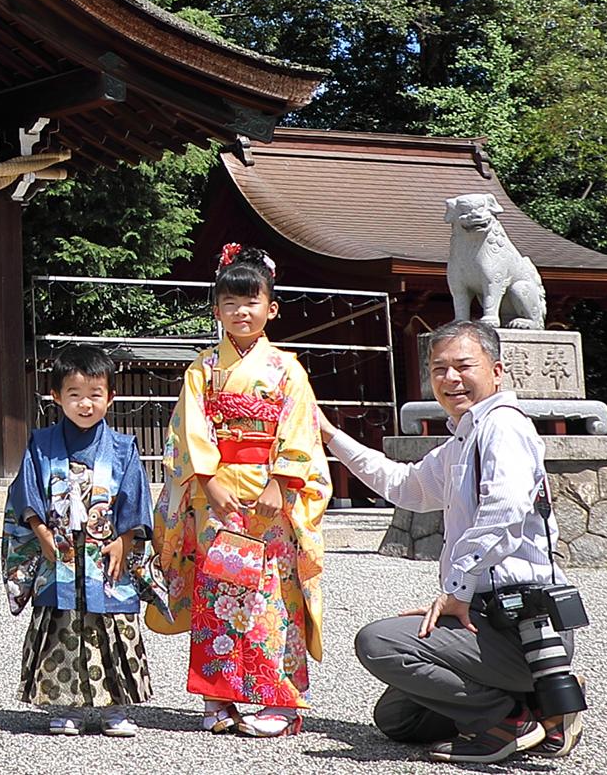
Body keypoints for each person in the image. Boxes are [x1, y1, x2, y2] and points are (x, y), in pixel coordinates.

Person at [319, 319, 584, 764]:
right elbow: (405, 485)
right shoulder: (464, 437)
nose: (449, 378)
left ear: (497, 371)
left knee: (379, 644)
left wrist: (456, 589)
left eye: (463, 365)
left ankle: (506, 722)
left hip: (518, 623)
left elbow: (506, 507)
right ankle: (536, 705)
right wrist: (330, 435)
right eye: (439, 368)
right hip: (486, 617)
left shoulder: (502, 426)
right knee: (399, 720)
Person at [146, 244, 333, 738]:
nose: (241, 312)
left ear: (271, 308)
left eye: (251, 303)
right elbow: (187, 432)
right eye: (230, 303)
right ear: (216, 310)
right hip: (217, 496)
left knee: (275, 597)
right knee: (220, 592)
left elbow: (301, 428)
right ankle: (218, 696)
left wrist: (281, 481)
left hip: (273, 498)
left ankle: (281, 702)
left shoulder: (288, 369)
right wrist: (207, 480)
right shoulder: (203, 369)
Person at [0, 346, 154, 738]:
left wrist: (124, 540)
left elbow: (136, 499)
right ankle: (62, 703)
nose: (85, 404)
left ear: (111, 397)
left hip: (107, 556)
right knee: (61, 626)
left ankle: (115, 708)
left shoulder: (123, 448)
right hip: (59, 552)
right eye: (74, 394)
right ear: (56, 396)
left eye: (95, 394)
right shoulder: (41, 443)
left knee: (113, 625)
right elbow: (26, 493)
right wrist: (40, 532)